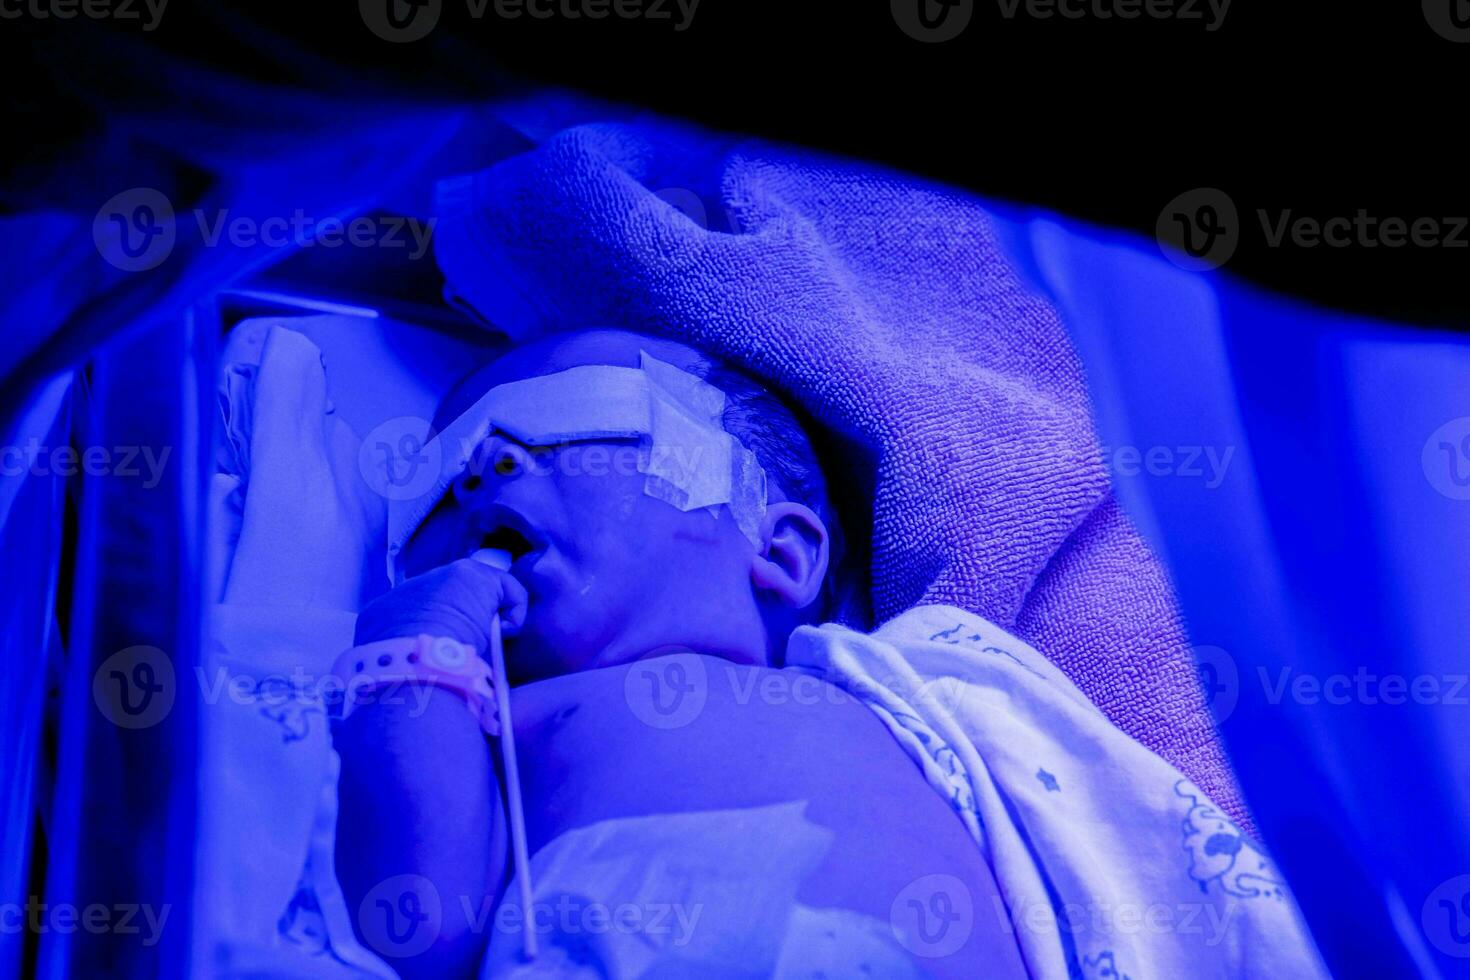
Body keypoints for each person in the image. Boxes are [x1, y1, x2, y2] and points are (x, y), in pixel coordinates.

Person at [332, 328, 1027, 978]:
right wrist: (411, 667)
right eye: (433, 487)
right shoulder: (481, 735)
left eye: (571, 419)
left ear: (780, 553)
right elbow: (418, 922)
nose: (480, 470)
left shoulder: (903, 690)